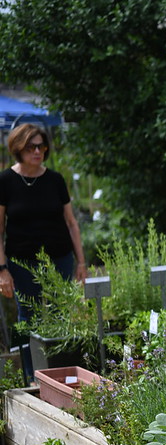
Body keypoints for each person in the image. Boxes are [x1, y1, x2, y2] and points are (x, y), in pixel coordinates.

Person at [0, 124, 88, 381]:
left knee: (62, 313)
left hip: (59, 258)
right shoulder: (5, 181)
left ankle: (61, 374)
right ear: (18, 148)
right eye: (31, 146)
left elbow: (71, 223)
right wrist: (2, 269)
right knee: (26, 315)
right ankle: (30, 375)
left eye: (42, 146)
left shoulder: (55, 179)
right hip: (21, 262)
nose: (38, 151)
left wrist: (81, 262)